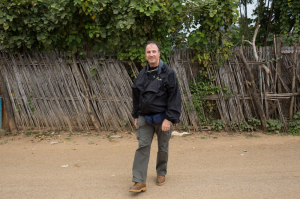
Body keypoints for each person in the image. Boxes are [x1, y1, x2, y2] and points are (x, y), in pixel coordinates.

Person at [129, 41, 182, 193]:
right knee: (142, 147)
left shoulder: (168, 73)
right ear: (145, 55)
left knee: (163, 147)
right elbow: (136, 95)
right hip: (145, 118)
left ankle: (161, 172)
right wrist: (136, 115)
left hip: (163, 118)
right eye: (148, 52)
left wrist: (169, 118)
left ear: (159, 53)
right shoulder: (142, 74)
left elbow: (174, 97)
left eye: (154, 51)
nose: (151, 54)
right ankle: (139, 181)